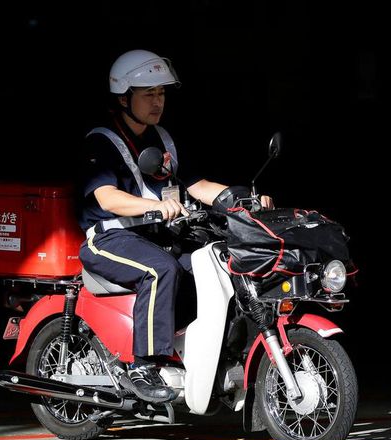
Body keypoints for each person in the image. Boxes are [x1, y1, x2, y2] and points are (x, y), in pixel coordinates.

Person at [78, 49, 272, 403]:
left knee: (214, 266)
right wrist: (155, 205)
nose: (157, 101)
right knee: (160, 269)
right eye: (148, 94)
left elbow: (197, 185)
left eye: (162, 93)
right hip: (109, 237)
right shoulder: (101, 141)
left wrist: (243, 199)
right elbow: (106, 197)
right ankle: (143, 365)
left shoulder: (163, 139)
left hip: (156, 237)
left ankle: (209, 355)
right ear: (123, 96)